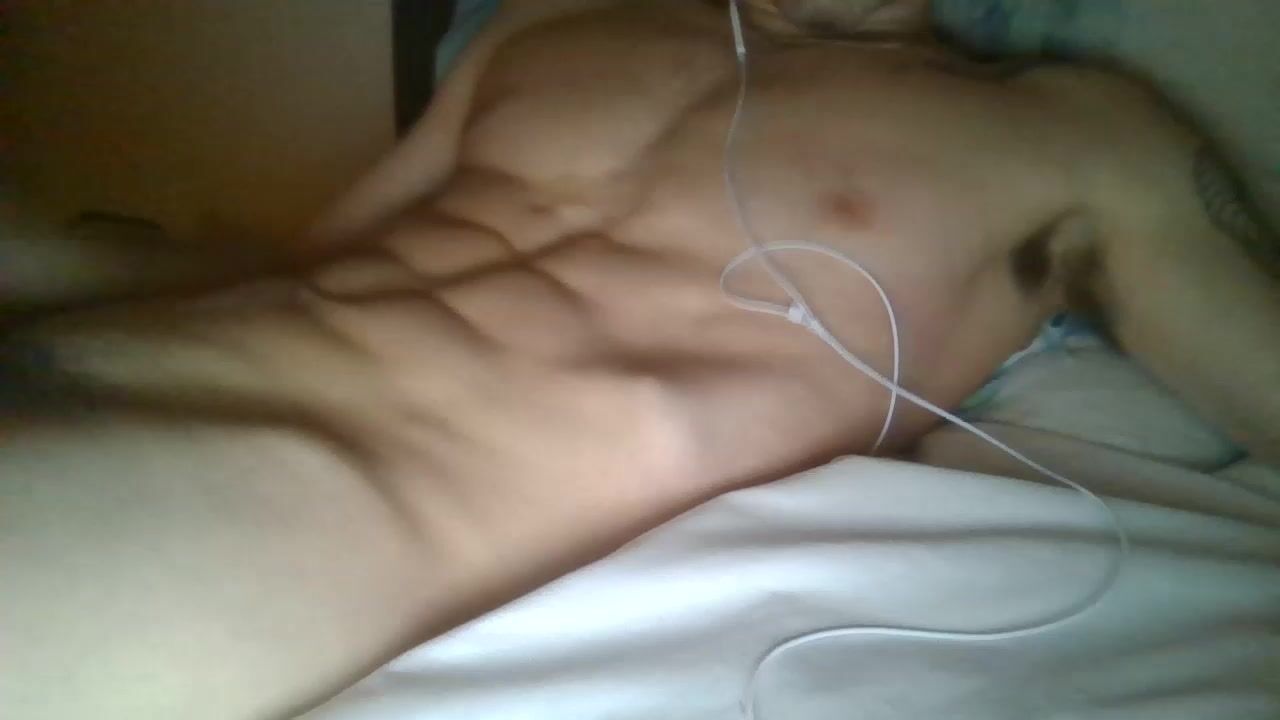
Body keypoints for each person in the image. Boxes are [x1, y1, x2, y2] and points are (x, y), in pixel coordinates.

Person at [2, 1, 1277, 718]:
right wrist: (64, 264)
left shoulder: (1075, 137)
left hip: (310, 492)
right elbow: (321, 265)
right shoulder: (550, 26)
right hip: (112, 356)